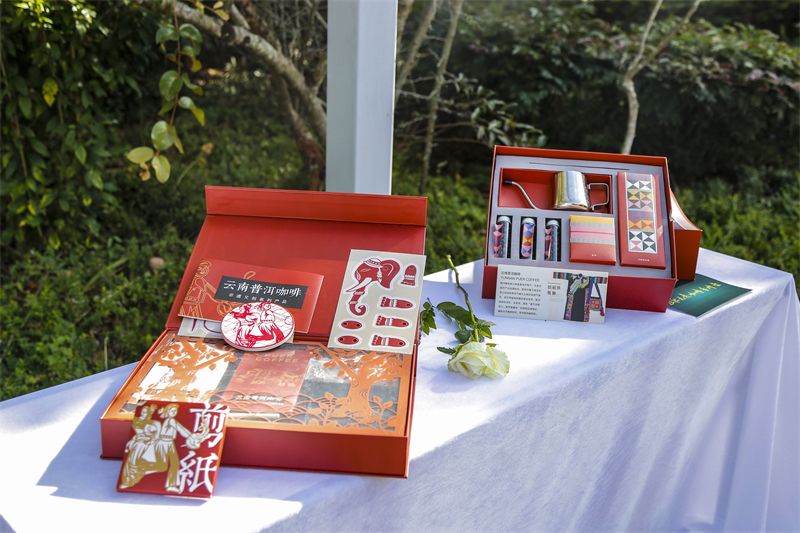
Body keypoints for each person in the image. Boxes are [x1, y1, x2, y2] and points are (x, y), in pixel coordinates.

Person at [119, 404, 161, 489]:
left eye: (146, 412)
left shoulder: (152, 423)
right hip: (136, 442)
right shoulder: (136, 420)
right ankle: (127, 480)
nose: (143, 414)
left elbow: (155, 436)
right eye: (143, 411)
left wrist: (151, 439)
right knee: (130, 460)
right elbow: (125, 411)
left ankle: (130, 480)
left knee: (135, 460)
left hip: (144, 443)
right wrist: (138, 405)